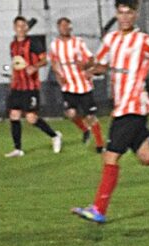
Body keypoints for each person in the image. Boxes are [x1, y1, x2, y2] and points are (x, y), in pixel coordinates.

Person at [71, 0, 149, 224]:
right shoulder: (110, 39)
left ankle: (99, 209)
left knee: (110, 156)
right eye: (121, 13)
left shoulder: (144, 41)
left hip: (133, 107)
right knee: (146, 157)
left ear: (136, 14)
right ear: (116, 14)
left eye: (129, 13)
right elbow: (102, 66)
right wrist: (90, 69)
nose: (124, 17)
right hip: (121, 107)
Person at [4, 16, 63, 158]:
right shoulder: (13, 45)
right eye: (18, 26)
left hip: (30, 87)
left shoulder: (33, 43)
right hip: (17, 86)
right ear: (14, 27)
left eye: (23, 25)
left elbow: (45, 60)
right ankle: (18, 149)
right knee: (14, 115)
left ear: (26, 27)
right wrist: (12, 78)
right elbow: (16, 63)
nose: (21, 28)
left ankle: (55, 136)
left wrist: (34, 66)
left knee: (31, 118)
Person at [49, 17, 105, 153]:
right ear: (58, 28)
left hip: (83, 85)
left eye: (66, 25)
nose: (64, 28)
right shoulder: (55, 45)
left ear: (70, 27)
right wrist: (58, 76)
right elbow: (54, 62)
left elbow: (91, 59)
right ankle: (85, 130)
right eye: (62, 26)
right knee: (71, 113)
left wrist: (85, 65)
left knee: (90, 117)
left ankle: (99, 145)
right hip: (68, 86)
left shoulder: (78, 42)